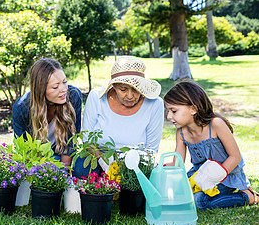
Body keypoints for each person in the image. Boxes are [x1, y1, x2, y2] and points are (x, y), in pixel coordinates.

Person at [164, 81, 258, 209]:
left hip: (226, 176)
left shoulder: (216, 124)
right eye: (168, 111)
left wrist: (214, 177)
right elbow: (178, 163)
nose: (169, 116)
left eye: (173, 111)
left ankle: (248, 197)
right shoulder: (181, 132)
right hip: (200, 175)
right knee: (178, 195)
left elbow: (235, 157)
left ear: (193, 109)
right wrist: (167, 168)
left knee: (198, 202)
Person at [77, 56, 164, 178]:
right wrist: (106, 163)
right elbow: (87, 140)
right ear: (114, 86)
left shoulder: (155, 104)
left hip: (135, 159)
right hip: (99, 155)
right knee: (82, 167)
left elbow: (151, 150)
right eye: (123, 89)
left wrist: (126, 166)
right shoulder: (96, 97)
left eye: (136, 89)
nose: (130, 96)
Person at [12, 58, 82, 167]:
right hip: (36, 160)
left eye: (65, 82)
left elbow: (71, 141)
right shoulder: (22, 108)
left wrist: (64, 172)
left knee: (80, 167)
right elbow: (23, 150)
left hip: (59, 155)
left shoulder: (73, 96)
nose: (64, 89)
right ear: (41, 90)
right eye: (55, 87)